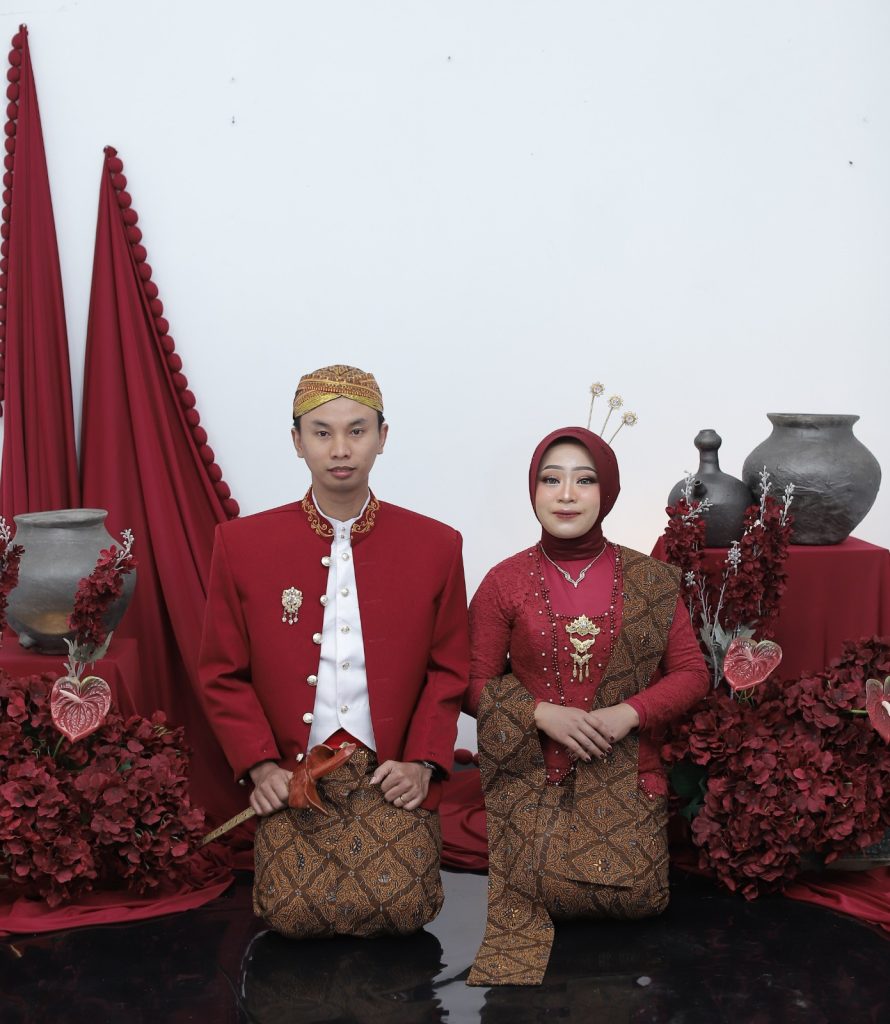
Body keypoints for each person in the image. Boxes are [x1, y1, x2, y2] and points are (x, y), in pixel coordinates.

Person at [197, 364, 469, 938]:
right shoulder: (242, 544)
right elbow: (221, 672)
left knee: (403, 910)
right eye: (322, 432)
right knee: (291, 915)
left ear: (383, 437)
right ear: (297, 441)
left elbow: (448, 670)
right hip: (295, 771)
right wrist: (261, 766)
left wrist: (422, 764)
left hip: (388, 771)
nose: (340, 449)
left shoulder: (437, 545)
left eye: (357, 430)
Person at [464, 426, 709, 986]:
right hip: (532, 780)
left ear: (608, 491)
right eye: (551, 480)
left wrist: (629, 714)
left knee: (640, 897)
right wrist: (538, 713)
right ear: (533, 490)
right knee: (535, 885)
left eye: (585, 480)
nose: (567, 495)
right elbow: (471, 683)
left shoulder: (649, 581)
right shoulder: (504, 582)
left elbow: (693, 674)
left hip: (626, 776)